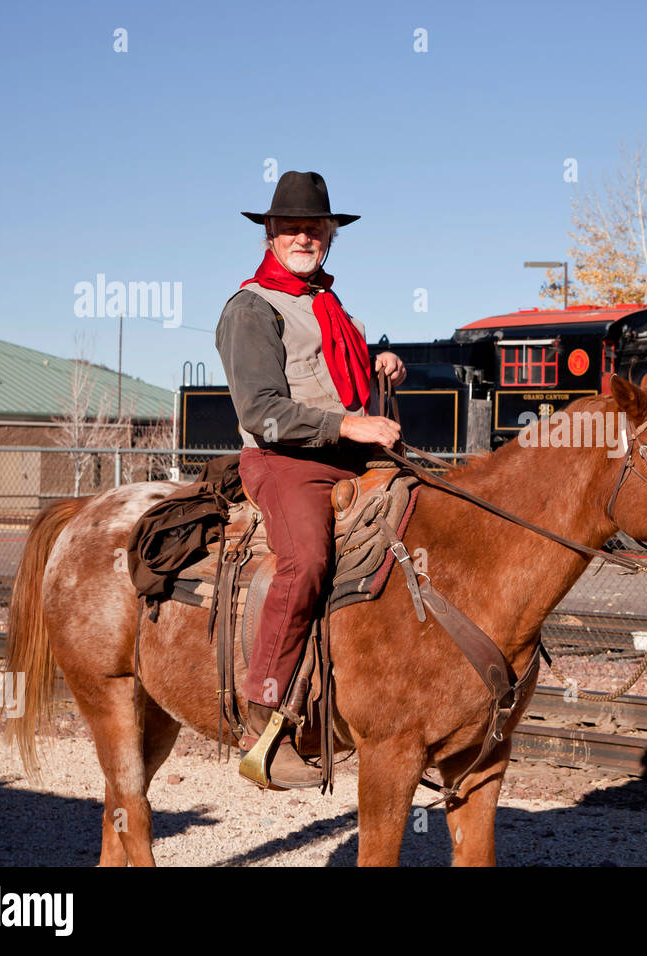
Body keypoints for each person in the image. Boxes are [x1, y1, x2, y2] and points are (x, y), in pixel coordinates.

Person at [215, 170, 406, 788]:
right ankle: (263, 721)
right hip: (284, 461)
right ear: (270, 232)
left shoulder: (326, 303)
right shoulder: (251, 307)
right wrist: (351, 427)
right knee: (307, 565)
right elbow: (262, 412)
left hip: (342, 455)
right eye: (292, 227)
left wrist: (376, 362)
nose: (304, 236)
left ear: (329, 235)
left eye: (315, 228)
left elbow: (328, 372)